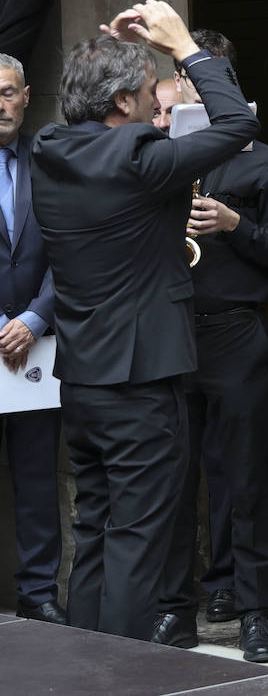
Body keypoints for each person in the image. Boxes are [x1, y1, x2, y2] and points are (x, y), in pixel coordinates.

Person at [30, 0, 258, 640]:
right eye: (144, 93)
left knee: (97, 533)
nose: (152, 103)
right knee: (137, 542)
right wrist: (185, 44)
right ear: (126, 106)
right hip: (141, 381)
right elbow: (238, 122)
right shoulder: (138, 157)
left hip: (81, 381)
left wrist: (111, 56)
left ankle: (83, 668)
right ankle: (119, 677)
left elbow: (80, 115)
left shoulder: (48, 150)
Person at [153, 29, 268, 661]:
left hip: (236, 328)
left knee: (243, 477)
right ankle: (174, 609)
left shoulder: (261, 160)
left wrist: (237, 226)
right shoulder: (159, 155)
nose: (185, 86)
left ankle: (252, 612)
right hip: (170, 329)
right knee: (172, 479)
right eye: (180, 76)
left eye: (196, 74)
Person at [0, 54, 63, 626]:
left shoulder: (47, 164)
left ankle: (39, 592)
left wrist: (34, 319)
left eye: (7, 92)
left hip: (36, 347)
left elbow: (67, 247)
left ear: (25, 97)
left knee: (39, 476)